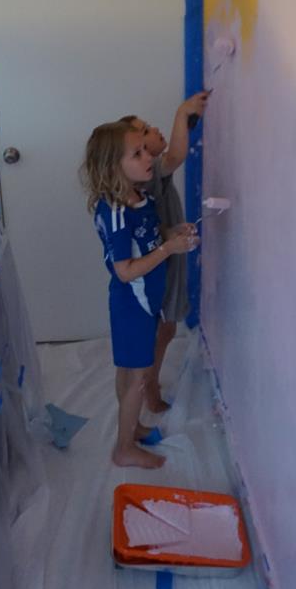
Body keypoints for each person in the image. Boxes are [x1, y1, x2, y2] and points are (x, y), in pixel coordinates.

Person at [81, 120, 200, 468]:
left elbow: (150, 232)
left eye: (146, 150)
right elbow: (124, 270)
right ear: (112, 166)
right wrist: (168, 250)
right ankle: (124, 448)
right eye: (137, 154)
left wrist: (171, 232)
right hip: (132, 305)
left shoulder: (140, 197)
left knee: (130, 373)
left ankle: (131, 428)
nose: (149, 157)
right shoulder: (117, 212)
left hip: (146, 303)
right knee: (136, 379)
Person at [121, 90, 209, 412]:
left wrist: (187, 118)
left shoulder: (150, 173)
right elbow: (176, 156)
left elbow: (172, 154)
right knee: (164, 327)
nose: (155, 129)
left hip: (167, 252)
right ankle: (149, 386)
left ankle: (149, 382)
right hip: (162, 260)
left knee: (166, 327)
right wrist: (182, 112)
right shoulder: (148, 175)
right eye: (146, 131)